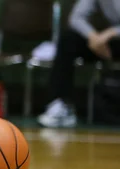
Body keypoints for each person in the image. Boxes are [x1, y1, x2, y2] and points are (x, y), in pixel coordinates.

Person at [39, 0, 120, 128]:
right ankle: (60, 105)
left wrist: (110, 33)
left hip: (112, 36)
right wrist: (93, 37)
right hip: (107, 43)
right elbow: (76, 18)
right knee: (68, 40)